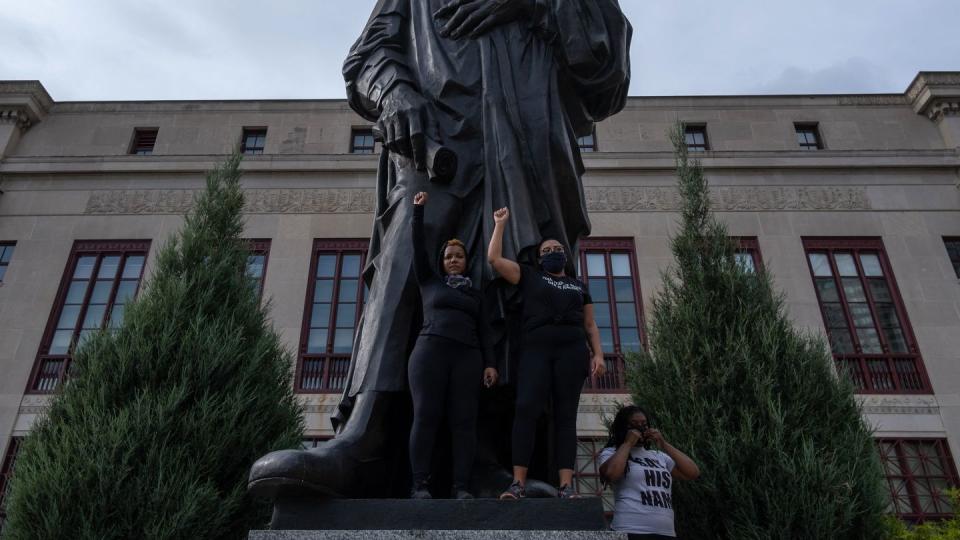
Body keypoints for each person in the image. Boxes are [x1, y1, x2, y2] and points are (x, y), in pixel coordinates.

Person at [248, 0, 631, 499]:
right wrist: (395, 92)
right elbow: (368, 54)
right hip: (434, 137)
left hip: (526, 146)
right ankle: (367, 432)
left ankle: (489, 459)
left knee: (515, 284)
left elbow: (608, 74)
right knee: (411, 249)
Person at [487, 206, 606, 499]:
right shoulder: (529, 276)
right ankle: (518, 483)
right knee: (526, 409)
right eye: (547, 249)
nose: (552, 251)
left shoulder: (579, 286)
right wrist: (500, 224)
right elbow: (494, 259)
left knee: (565, 417)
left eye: (557, 248)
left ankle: (566, 486)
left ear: (564, 256)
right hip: (536, 350)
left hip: (572, 351)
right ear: (540, 258)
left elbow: (590, 324)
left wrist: (599, 355)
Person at [408, 191, 498, 500]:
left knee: (464, 423)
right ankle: (419, 485)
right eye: (449, 257)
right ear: (443, 263)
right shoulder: (429, 282)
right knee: (425, 417)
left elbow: (486, 331)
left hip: (467, 358)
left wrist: (490, 363)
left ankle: (461, 486)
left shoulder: (476, 295)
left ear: (466, 261)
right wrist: (418, 211)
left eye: (458, 257)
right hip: (430, 354)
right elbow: (418, 248)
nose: (454, 261)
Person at [598, 406, 700, 540]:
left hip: (665, 532)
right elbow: (611, 474)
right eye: (633, 425)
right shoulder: (612, 453)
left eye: (644, 425)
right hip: (630, 530)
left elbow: (693, 472)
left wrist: (663, 444)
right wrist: (628, 444)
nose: (640, 429)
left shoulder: (659, 456)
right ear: (623, 428)